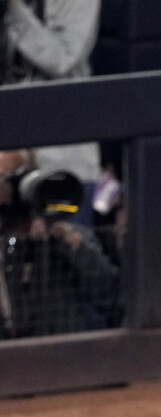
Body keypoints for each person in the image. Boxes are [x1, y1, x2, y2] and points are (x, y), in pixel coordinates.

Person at [0, 148, 120, 338]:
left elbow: (110, 296)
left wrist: (70, 243)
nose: (9, 189)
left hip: (72, 354)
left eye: (15, 178)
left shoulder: (67, 236)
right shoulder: (5, 244)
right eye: (3, 179)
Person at [2, 0, 102, 218]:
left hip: (62, 168)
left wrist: (11, 8)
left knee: (69, 246)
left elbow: (61, 60)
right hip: (9, 170)